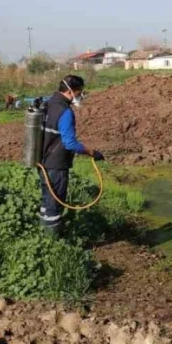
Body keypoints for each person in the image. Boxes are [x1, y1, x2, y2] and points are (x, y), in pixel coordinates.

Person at [38, 75, 103, 236]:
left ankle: (42, 234)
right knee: (54, 203)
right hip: (57, 164)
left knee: (47, 200)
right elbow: (70, 143)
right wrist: (91, 152)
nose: (80, 96)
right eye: (79, 92)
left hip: (43, 162)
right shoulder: (65, 112)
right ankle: (52, 241)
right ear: (70, 91)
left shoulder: (48, 103)